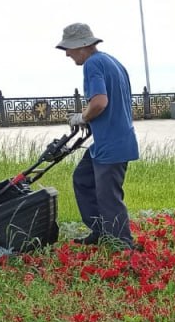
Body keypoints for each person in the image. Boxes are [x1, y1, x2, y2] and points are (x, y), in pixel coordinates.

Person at [56, 22, 139, 250]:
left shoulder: (92, 64)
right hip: (111, 140)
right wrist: (88, 118)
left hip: (112, 144)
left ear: (82, 46)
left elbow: (100, 102)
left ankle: (122, 245)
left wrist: (83, 117)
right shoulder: (112, 62)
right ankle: (100, 231)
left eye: (68, 49)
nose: (67, 54)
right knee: (82, 179)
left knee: (108, 198)